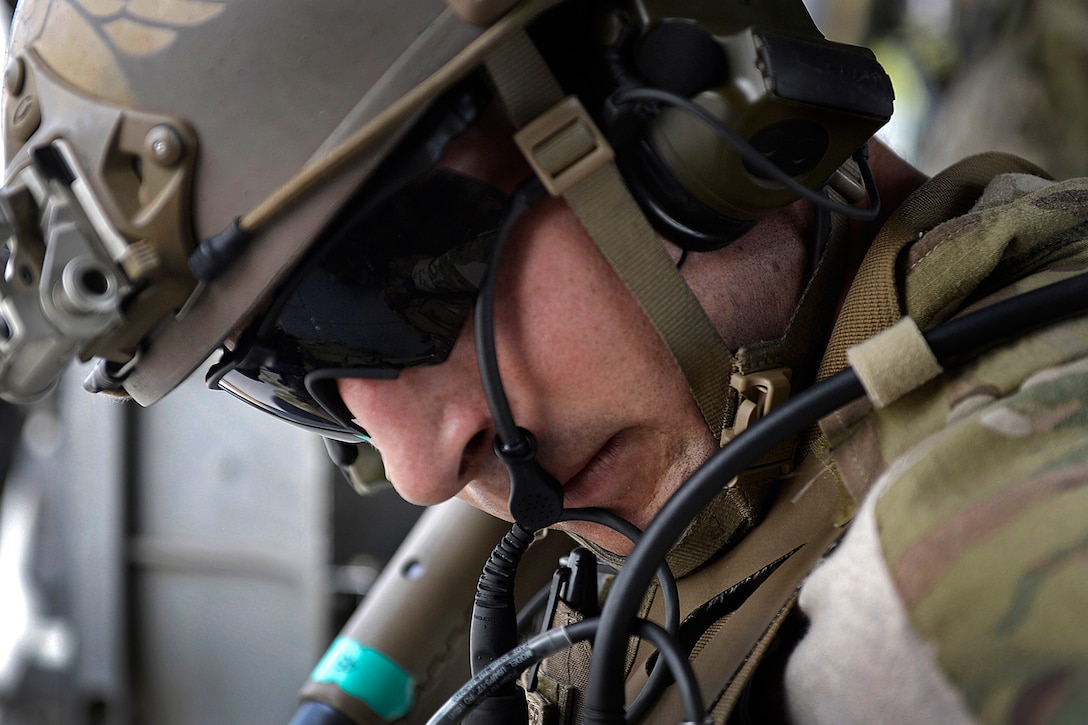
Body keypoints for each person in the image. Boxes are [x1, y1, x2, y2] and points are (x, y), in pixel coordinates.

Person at [0, 0, 1085, 723]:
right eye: (302, 371)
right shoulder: (695, 486)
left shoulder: (969, 554)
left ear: (689, 117)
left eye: (395, 280)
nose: (418, 465)